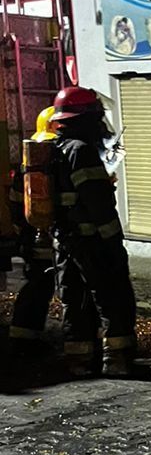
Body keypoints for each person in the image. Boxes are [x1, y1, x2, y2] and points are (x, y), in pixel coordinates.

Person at [49, 86, 139, 376]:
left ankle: (79, 360)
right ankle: (117, 360)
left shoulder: (53, 149)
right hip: (93, 240)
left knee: (74, 299)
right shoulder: (81, 151)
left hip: (65, 241)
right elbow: (98, 202)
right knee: (113, 295)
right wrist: (113, 240)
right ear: (86, 118)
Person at [5, 107, 60, 356]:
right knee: (46, 285)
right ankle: (26, 337)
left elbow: (15, 204)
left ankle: (24, 335)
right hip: (50, 238)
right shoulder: (54, 166)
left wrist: (22, 233)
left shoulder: (25, 168)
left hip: (33, 237)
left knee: (38, 285)